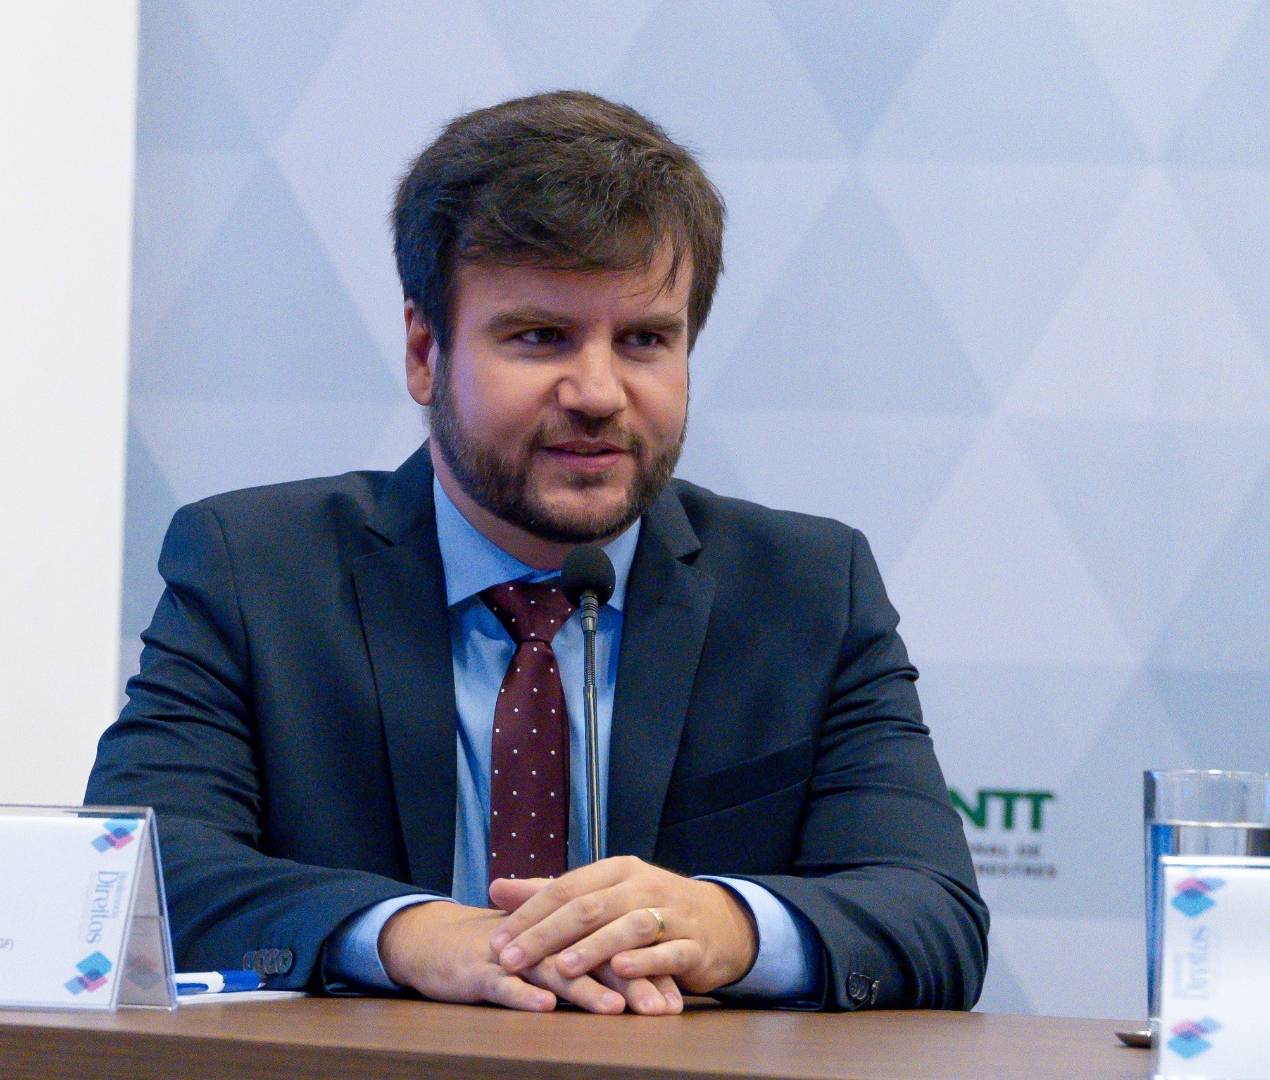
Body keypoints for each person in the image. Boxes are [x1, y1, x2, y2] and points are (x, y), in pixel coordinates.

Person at [86, 90, 986, 1015]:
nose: (598, 391)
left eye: (644, 340)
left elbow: (931, 911)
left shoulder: (808, 590)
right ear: (425, 351)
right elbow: (139, 876)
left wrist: (722, 924)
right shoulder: (256, 571)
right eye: (540, 337)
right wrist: (408, 935)